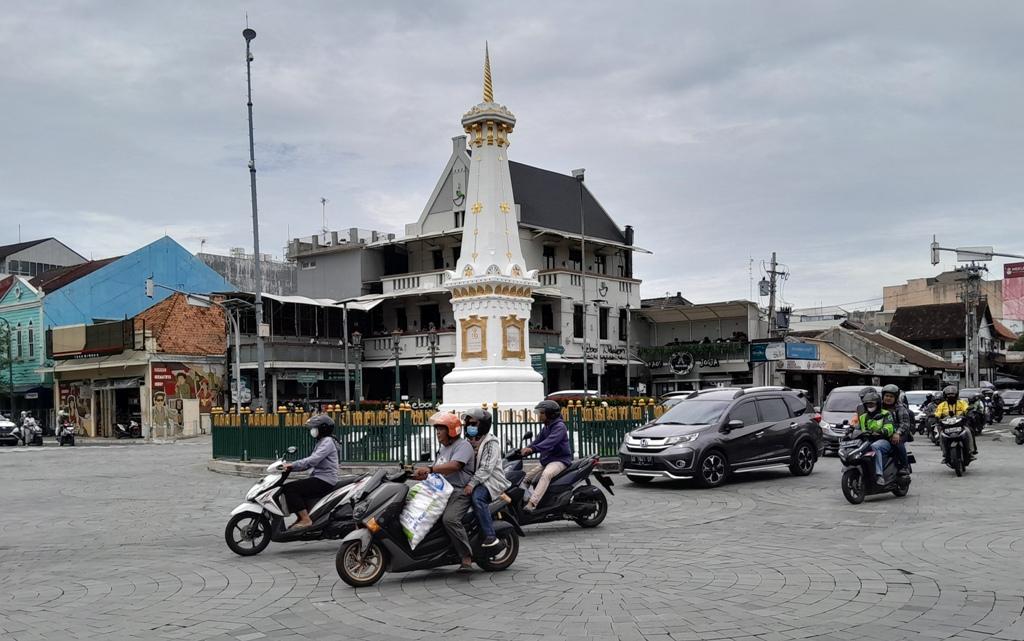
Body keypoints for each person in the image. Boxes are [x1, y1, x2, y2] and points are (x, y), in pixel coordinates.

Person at [412, 412, 476, 571]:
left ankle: (466, 557)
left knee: (450, 519)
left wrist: (430, 468)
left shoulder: (463, 446)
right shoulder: (443, 449)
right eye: (437, 430)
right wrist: (418, 475)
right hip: (440, 491)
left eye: (441, 429)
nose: (438, 433)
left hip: (458, 491)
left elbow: (455, 466)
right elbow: (435, 471)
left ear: (451, 430)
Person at [462, 407, 509, 549]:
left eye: (474, 423)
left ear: (483, 425)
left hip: (491, 481)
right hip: (475, 479)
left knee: (478, 498)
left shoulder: (491, 443)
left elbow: (487, 468)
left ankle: (490, 535)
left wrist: (472, 484)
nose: (470, 426)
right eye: (468, 423)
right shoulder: (468, 441)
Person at [282, 415, 339, 530]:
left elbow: (313, 460)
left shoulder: (327, 441)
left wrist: (292, 465)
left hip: (325, 480)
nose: (312, 431)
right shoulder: (322, 441)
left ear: (322, 429)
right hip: (320, 477)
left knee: (290, 488)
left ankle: (305, 519)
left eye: (314, 428)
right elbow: (310, 462)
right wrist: (292, 467)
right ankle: (301, 518)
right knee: (296, 488)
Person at [520, 400, 572, 512]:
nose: (539, 415)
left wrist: (532, 449)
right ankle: (524, 498)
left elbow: (549, 442)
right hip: (548, 460)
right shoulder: (547, 427)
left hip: (560, 460)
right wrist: (524, 450)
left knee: (546, 475)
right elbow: (537, 440)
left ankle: (532, 503)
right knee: (525, 478)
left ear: (550, 414)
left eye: (542, 413)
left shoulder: (559, 427)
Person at [856, 390, 896, 485]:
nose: (869, 406)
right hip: (867, 441)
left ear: (877, 404)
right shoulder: (863, 417)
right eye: (867, 404)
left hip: (884, 441)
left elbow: (889, 427)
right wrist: (850, 430)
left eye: (872, 403)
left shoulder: (885, 414)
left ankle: (879, 475)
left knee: (875, 447)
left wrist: (882, 431)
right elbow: (858, 427)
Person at [933, 385, 976, 461]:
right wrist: (937, 419)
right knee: (941, 436)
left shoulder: (962, 403)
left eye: (952, 394)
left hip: (960, 424)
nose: (950, 396)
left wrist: (969, 414)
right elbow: (937, 415)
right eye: (948, 394)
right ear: (945, 395)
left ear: (956, 395)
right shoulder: (942, 405)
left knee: (969, 431)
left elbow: (967, 410)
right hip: (947, 426)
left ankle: (971, 452)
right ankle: (945, 454)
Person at [880, 384, 911, 474]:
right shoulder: (879, 407)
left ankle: (904, 466)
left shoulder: (900, 408)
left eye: (891, 396)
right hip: (884, 431)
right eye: (886, 396)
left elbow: (905, 423)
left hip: (900, 432)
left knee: (897, 442)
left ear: (896, 398)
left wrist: (897, 433)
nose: (888, 398)